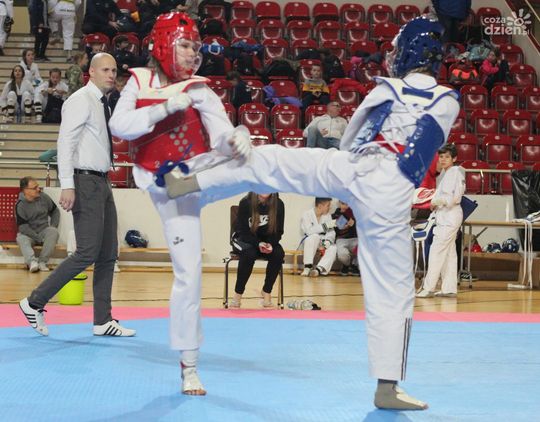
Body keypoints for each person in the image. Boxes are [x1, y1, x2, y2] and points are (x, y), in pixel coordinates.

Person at [165, 17, 460, 410]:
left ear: (408, 52)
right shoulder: (447, 99)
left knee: (271, 160)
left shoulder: (385, 88)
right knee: (393, 288)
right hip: (390, 189)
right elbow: (420, 151)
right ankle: (387, 387)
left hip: (354, 167)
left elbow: (354, 136)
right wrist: (386, 189)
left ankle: (190, 181)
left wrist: (352, 177)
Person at [108, 12, 251, 396]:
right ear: (163, 44)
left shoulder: (200, 88)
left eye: (194, 47)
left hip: (201, 173)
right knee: (189, 273)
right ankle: (189, 367)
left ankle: (331, 172)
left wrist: (236, 138)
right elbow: (119, 126)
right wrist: (166, 106)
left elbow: (220, 135)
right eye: (184, 45)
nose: (191, 53)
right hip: (169, 186)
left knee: (260, 162)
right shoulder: (139, 80)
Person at [18, 53, 135, 340]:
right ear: (91, 72)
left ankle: (102, 320)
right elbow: (65, 143)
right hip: (84, 182)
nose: (111, 74)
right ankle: (34, 302)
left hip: (101, 181)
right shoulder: (80, 100)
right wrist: (68, 185)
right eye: (105, 70)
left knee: (108, 253)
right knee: (87, 252)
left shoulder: (102, 102)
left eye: (114, 70)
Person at [416, 144, 465, 298]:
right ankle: (449, 288)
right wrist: (436, 202)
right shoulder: (450, 173)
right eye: (441, 157)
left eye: (447, 157)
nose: (443, 160)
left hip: (449, 216)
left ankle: (428, 288)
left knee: (436, 251)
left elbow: (451, 199)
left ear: (454, 158)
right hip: (448, 215)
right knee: (449, 253)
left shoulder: (453, 173)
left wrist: (434, 202)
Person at [230, 192, 285, 308]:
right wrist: (257, 243)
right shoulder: (246, 202)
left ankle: (266, 291)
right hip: (244, 239)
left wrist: (270, 244)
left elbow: (279, 231)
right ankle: (238, 294)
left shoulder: (279, 204)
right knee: (249, 253)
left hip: (265, 240)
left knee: (278, 253)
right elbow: (243, 232)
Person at [15, 176, 60, 273]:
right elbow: (23, 228)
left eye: (38, 186)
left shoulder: (44, 197)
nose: (38, 189)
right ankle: (32, 262)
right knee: (21, 238)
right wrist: (38, 238)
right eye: (35, 188)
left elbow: (55, 211)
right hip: (29, 234)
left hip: (43, 230)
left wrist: (53, 225)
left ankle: (42, 262)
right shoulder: (20, 205)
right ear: (26, 190)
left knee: (53, 232)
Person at [300, 197, 337, 277]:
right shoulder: (307, 214)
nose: (330, 208)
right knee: (314, 236)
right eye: (328, 205)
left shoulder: (328, 216)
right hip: (310, 242)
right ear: (320, 206)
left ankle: (318, 269)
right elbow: (308, 231)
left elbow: (331, 232)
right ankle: (307, 267)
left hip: (322, 242)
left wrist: (327, 242)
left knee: (333, 248)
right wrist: (325, 226)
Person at [332, 201, 360, 276]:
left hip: (355, 239)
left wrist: (354, 224)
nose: (345, 206)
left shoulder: (355, 213)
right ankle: (346, 265)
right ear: (339, 203)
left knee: (366, 245)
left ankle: (354, 265)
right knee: (342, 255)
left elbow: (361, 229)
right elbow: (334, 231)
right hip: (341, 240)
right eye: (343, 204)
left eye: (347, 204)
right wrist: (341, 228)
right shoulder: (335, 215)